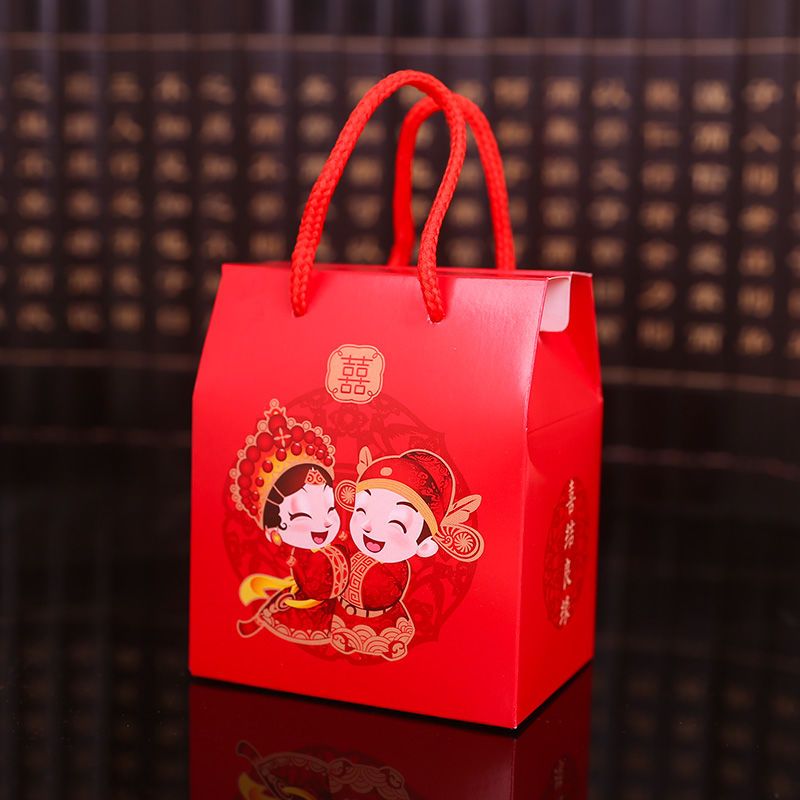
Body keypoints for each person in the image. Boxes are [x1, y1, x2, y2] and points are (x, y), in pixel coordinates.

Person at [331, 447, 483, 661]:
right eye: (362, 511)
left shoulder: (395, 568)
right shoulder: (355, 552)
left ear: (425, 545)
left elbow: (381, 592)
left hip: (382, 622)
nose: (369, 527)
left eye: (397, 522)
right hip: (345, 616)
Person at [233, 400, 348, 645]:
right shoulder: (303, 557)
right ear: (274, 530)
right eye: (302, 516)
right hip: (308, 610)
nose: (323, 524)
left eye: (330, 509)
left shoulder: (330, 548)